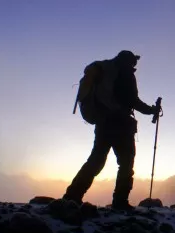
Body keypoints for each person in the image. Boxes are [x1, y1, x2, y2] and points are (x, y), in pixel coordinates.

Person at [63, 50, 160, 211]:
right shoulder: (125, 74)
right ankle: (120, 202)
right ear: (128, 61)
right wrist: (151, 110)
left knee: (96, 161)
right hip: (121, 124)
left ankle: (72, 196)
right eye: (133, 62)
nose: (134, 66)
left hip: (103, 123)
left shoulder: (106, 71)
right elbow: (132, 100)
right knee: (126, 164)